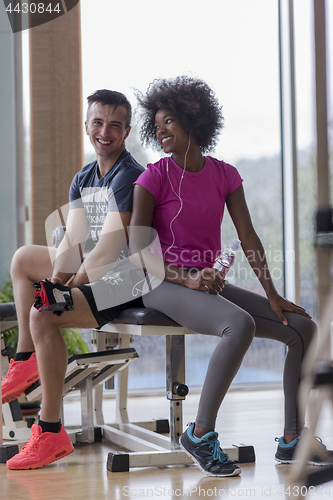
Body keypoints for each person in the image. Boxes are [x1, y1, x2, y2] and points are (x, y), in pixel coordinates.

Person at [129, 76, 331, 477]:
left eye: (168, 120)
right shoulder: (153, 178)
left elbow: (249, 236)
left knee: (303, 328)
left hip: (202, 283)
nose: (160, 130)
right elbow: (136, 253)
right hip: (160, 284)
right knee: (238, 324)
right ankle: (200, 434)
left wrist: (273, 294)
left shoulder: (224, 175)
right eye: (156, 124)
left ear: (193, 121)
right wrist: (186, 279)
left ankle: (292, 439)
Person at [2, 89, 145, 470]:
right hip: (98, 272)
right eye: (98, 122)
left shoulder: (128, 174)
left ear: (126, 131)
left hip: (128, 278)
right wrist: (56, 282)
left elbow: (109, 250)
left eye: (115, 125)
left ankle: (50, 432)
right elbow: (72, 244)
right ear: (87, 126)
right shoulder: (84, 177)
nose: (105, 131)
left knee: (43, 313)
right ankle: (25, 358)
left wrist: (62, 292)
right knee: (23, 260)